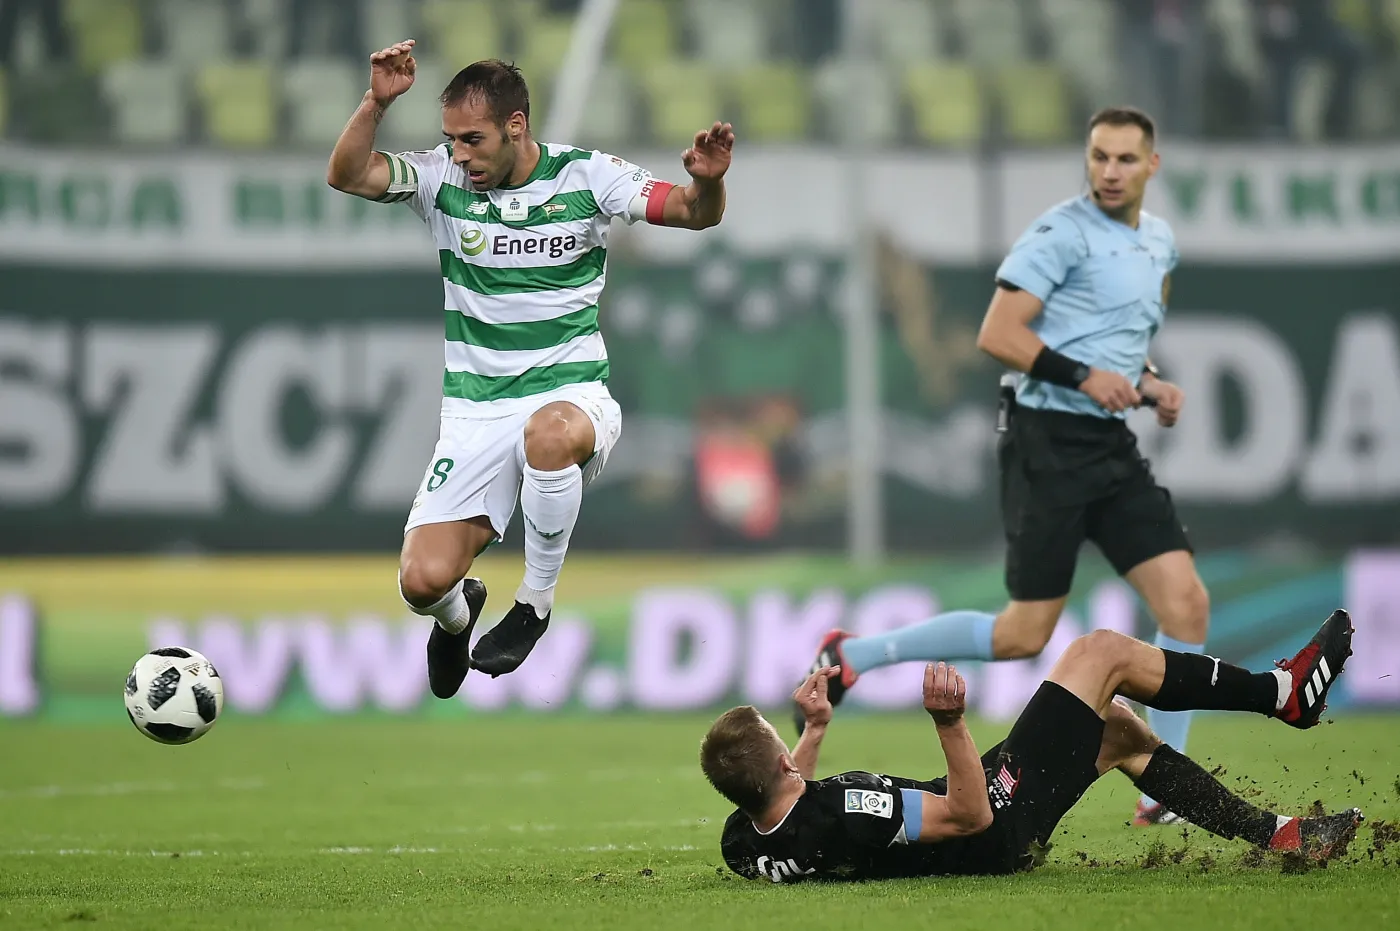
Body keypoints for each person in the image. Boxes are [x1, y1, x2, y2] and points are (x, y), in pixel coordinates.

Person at [795, 106, 1201, 826]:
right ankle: (856, 651)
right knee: (1023, 634)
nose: (1109, 171)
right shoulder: (1059, 233)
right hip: (1047, 440)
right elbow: (998, 332)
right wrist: (1084, 379)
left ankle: (1159, 787)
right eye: (1099, 157)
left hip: (1109, 444)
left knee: (1186, 604)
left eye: (1125, 160)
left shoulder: (1159, 244)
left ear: (1152, 166)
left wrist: (1148, 381)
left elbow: (1114, 338)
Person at [327, 42, 733, 693]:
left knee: (548, 434)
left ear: (516, 126)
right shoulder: (442, 181)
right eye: (450, 139)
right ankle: (458, 620)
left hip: (571, 395)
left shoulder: (588, 176)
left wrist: (708, 181)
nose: (460, 153)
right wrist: (377, 102)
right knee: (422, 582)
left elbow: (690, 211)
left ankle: (533, 605)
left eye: (473, 138)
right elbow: (348, 174)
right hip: (475, 411)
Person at [710, 610, 1359, 883]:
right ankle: (1282, 692)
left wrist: (815, 730)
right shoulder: (852, 807)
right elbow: (969, 815)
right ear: (783, 762)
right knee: (1100, 654)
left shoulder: (745, 842)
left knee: (1119, 732)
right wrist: (950, 722)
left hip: (976, 826)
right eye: (784, 737)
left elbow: (793, 813)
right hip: (992, 824)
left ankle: (1281, 835)